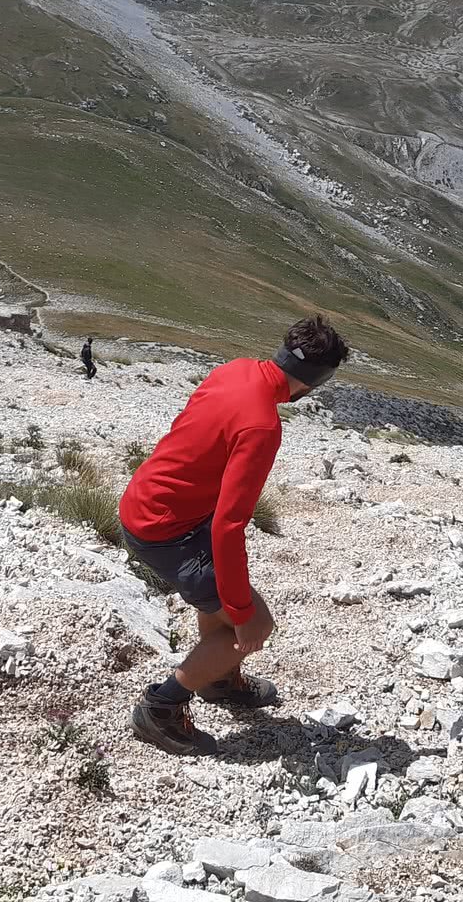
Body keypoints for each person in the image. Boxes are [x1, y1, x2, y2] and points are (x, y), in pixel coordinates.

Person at [118, 315, 350, 754]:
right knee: (255, 625)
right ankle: (161, 707)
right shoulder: (262, 425)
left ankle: (219, 680)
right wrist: (243, 611)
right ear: (316, 381)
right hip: (167, 531)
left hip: (149, 502)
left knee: (220, 605)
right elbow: (229, 525)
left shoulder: (235, 369)